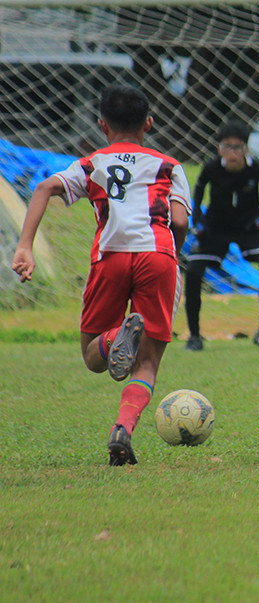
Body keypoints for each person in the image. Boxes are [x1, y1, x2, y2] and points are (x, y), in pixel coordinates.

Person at [11, 84, 191, 465]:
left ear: (102, 125)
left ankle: (113, 340)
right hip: (157, 255)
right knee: (147, 363)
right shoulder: (169, 166)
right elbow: (178, 220)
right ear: (149, 123)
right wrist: (172, 254)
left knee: (93, 357)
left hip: (109, 257)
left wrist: (25, 245)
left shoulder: (92, 163)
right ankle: (123, 428)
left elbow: (44, 187)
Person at [184, 121, 259, 351]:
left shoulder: (258, 169)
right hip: (216, 227)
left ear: (246, 149)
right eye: (227, 147)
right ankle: (194, 336)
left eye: (237, 147)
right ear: (219, 148)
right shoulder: (212, 168)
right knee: (194, 270)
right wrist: (198, 222)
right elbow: (198, 189)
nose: (232, 152)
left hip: (248, 228)